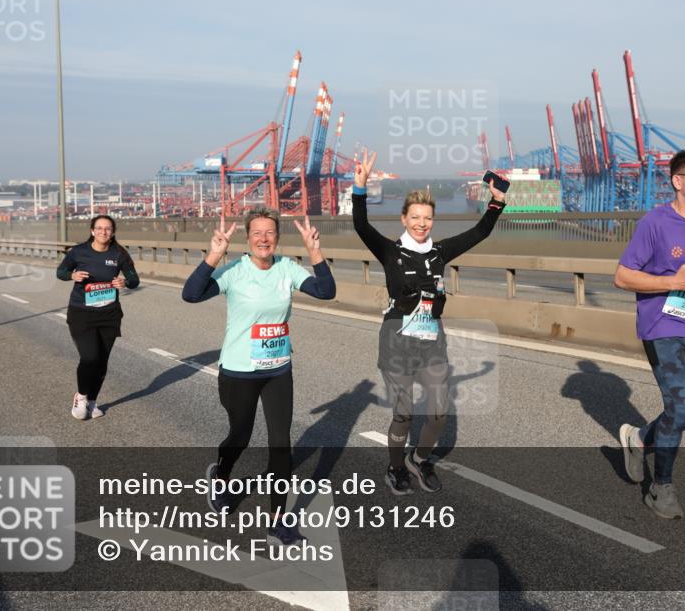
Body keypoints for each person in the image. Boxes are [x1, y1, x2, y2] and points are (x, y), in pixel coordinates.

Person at [352, 150, 506, 495]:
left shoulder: (440, 252)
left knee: (438, 413)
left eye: (428, 218)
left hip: (432, 337)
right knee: (404, 414)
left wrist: (496, 202)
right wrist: (359, 188)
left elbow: (480, 232)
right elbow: (361, 225)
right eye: (416, 217)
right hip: (397, 336)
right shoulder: (390, 251)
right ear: (404, 219)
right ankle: (395, 467)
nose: (422, 223)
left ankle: (419, 459)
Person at [182, 207, 335, 547]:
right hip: (239, 370)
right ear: (248, 239)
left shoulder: (287, 268)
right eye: (257, 233)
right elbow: (191, 294)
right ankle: (220, 476)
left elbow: (326, 292)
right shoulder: (235, 271)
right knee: (240, 435)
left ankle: (278, 522)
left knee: (281, 443)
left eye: (270, 233)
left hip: (278, 368)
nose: (264, 238)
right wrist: (214, 256)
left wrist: (315, 252)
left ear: (277, 237)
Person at [614, 148, 685, 519]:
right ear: (678, 181)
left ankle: (638, 438)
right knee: (679, 407)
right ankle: (660, 488)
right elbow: (622, 276)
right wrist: (672, 281)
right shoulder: (655, 223)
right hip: (660, 326)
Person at [56, 215, 140, 420]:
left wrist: (125, 282)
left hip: (109, 314)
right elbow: (61, 271)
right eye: (100, 228)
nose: (104, 232)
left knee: (102, 361)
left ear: (113, 232)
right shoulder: (78, 252)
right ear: (92, 231)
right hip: (81, 313)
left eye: (108, 229)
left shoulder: (119, 254)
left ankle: (92, 401)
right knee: (90, 357)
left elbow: (134, 279)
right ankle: (81, 397)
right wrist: (72, 276)